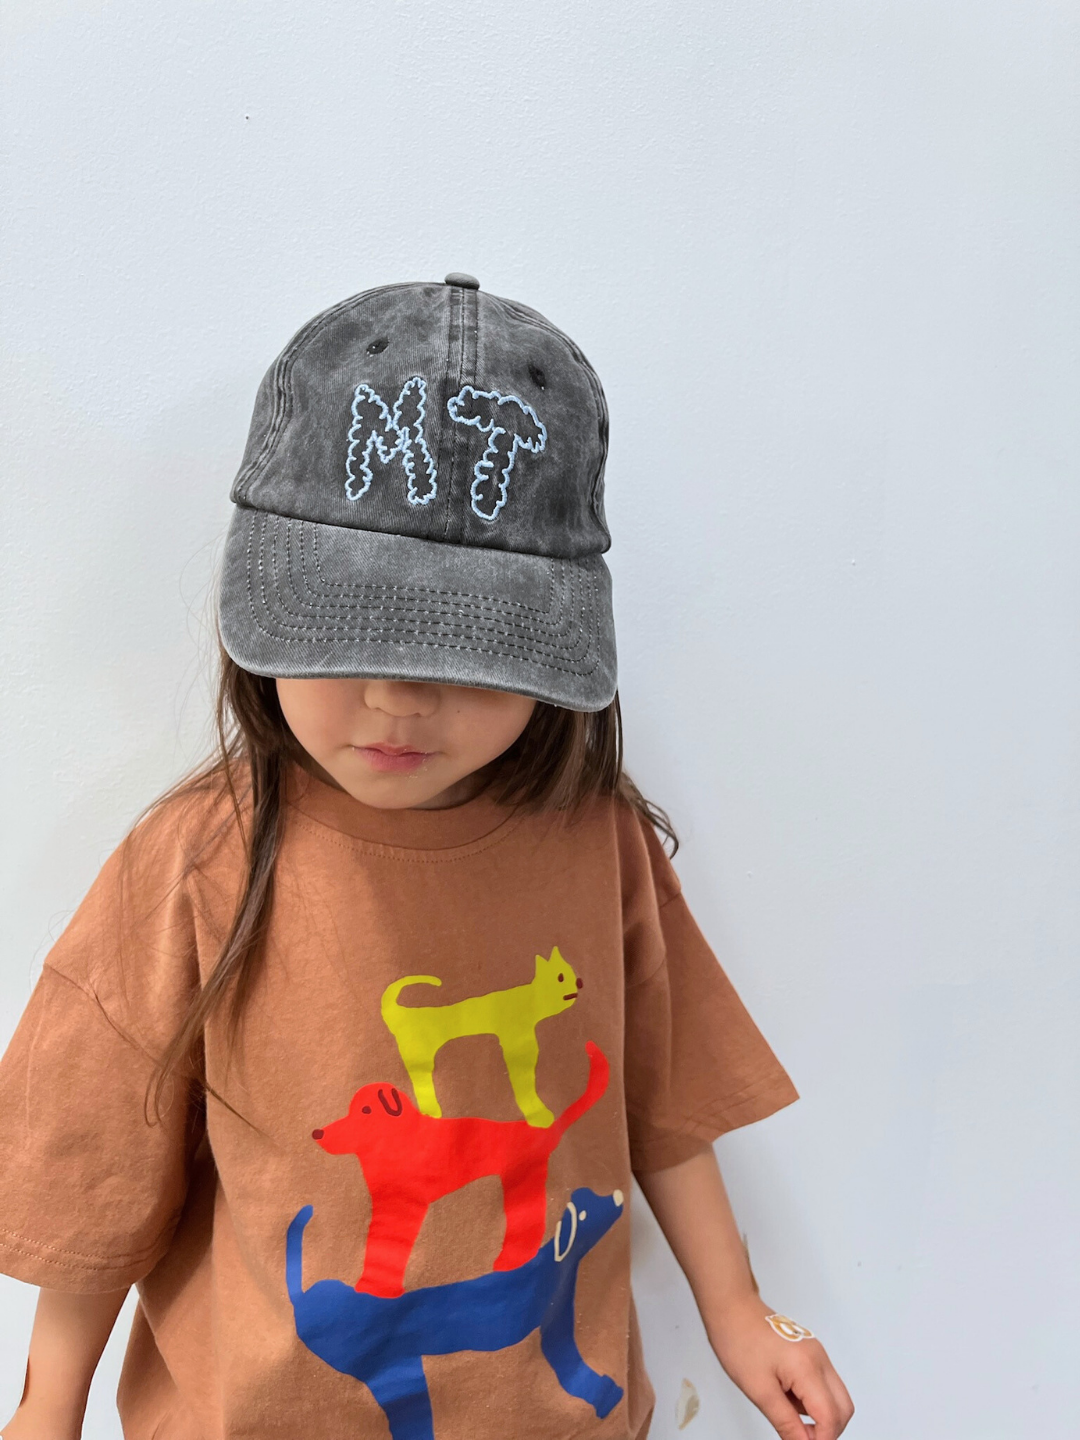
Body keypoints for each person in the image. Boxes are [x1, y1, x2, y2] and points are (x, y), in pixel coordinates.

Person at [0, 275, 853, 1440]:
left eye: (468, 646)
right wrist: (45, 1407)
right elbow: (101, 1166)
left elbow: (661, 1096)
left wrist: (741, 1312)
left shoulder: (595, 843)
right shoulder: (194, 866)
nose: (400, 697)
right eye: (349, 632)